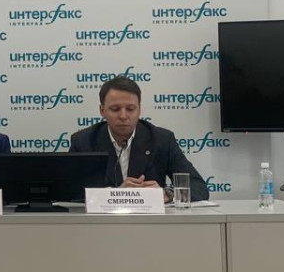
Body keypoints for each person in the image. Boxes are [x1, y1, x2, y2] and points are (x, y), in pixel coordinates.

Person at [69, 76, 209, 202]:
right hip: (101, 220)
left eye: (130, 109)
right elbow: (70, 193)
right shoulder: (84, 142)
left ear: (139, 110)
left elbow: (198, 186)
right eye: (115, 109)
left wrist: (167, 194)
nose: (123, 116)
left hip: (149, 220)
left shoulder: (162, 140)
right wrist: (115, 195)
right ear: (102, 110)